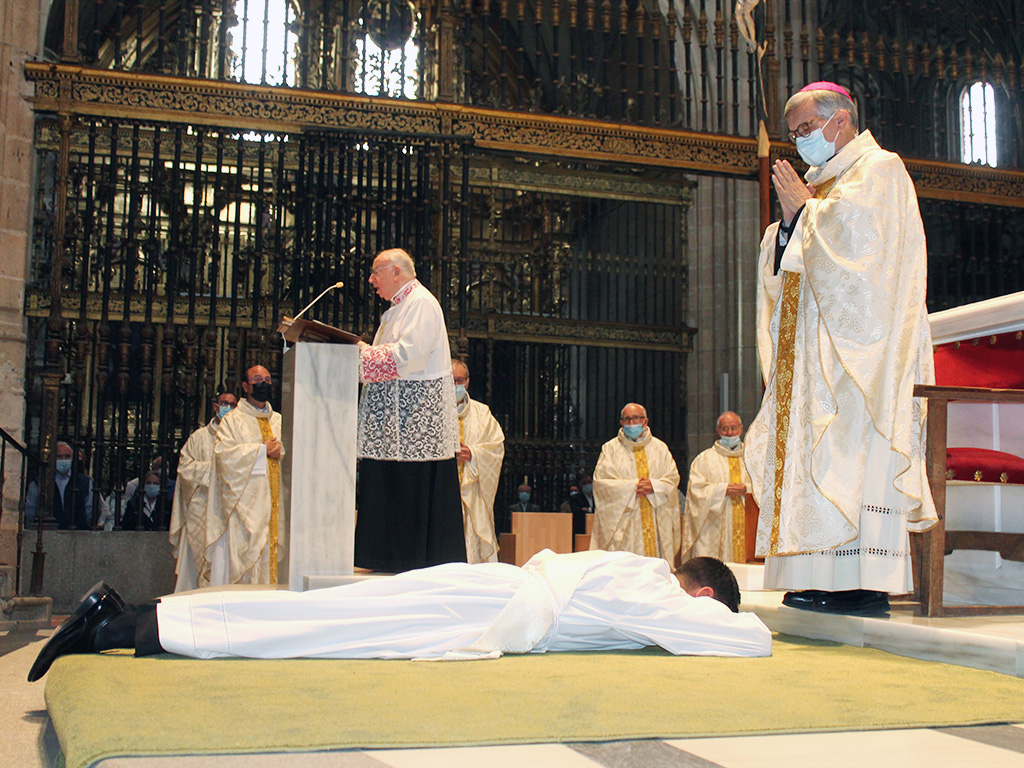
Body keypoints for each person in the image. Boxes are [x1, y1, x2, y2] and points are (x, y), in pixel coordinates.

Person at [744, 81, 936, 616]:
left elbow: (867, 256)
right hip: (813, 359)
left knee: (852, 460)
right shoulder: (818, 185)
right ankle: (814, 571)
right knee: (814, 461)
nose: (801, 141)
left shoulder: (880, 170)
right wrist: (786, 228)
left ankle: (861, 582)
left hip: (862, 357)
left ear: (841, 121)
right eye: (794, 133)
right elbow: (786, 264)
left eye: (807, 129)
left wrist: (807, 216)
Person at [27, 549, 772, 682]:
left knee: (319, 616)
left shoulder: (635, 572)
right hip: (482, 605)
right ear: (700, 594)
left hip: (485, 591)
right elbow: (749, 641)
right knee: (318, 632)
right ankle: (123, 627)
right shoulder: (661, 593)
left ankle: (128, 619)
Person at [355, 248, 465, 572]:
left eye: (377, 272)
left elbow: (409, 356)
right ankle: (387, 558)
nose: (372, 280)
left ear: (397, 272)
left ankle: (409, 561)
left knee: (411, 491)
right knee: (390, 488)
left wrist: (360, 353)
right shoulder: (394, 311)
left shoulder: (421, 303)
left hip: (416, 425)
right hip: (396, 426)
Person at [207, 365, 285, 586]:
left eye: (268, 380)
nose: (264, 384)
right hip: (246, 508)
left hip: (277, 505)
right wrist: (260, 450)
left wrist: (282, 451)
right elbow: (223, 457)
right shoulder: (233, 421)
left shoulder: (279, 421)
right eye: (258, 379)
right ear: (245, 386)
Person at [590, 403, 680, 564]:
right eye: (627, 419)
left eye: (636, 419)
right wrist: (632, 487)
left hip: (655, 518)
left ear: (645, 421)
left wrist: (655, 486)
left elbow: (672, 478)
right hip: (626, 524)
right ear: (621, 423)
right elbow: (602, 483)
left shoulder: (660, 448)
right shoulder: (610, 449)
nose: (632, 424)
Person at [168, 390, 238, 591]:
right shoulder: (198, 438)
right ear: (216, 407)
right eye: (224, 403)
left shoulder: (240, 439)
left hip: (228, 512)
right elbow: (184, 468)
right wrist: (215, 471)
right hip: (202, 508)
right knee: (197, 563)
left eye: (232, 404)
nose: (228, 407)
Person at [681, 412, 752, 563]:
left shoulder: (753, 458)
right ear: (718, 430)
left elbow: (765, 486)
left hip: (748, 527)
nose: (730, 433)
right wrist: (722, 490)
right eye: (725, 429)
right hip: (715, 531)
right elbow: (696, 491)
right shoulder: (704, 459)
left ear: (741, 429)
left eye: (733, 428)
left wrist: (747, 488)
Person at [453, 359, 505, 564]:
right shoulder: (431, 413)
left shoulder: (481, 412)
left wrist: (473, 454)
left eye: (458, 380)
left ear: (466, 382)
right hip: (442, 489)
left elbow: (496, 446)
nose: (454, 385)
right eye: (449, 380)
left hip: (472, 489)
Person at [25, 441, 93, 530]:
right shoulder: (39, 482)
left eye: (67, 456)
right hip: (48, 532)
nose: (64, 460)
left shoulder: (85, 481)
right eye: (59, 457)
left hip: (77, 531)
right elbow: (30, 510)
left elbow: (89, 509)